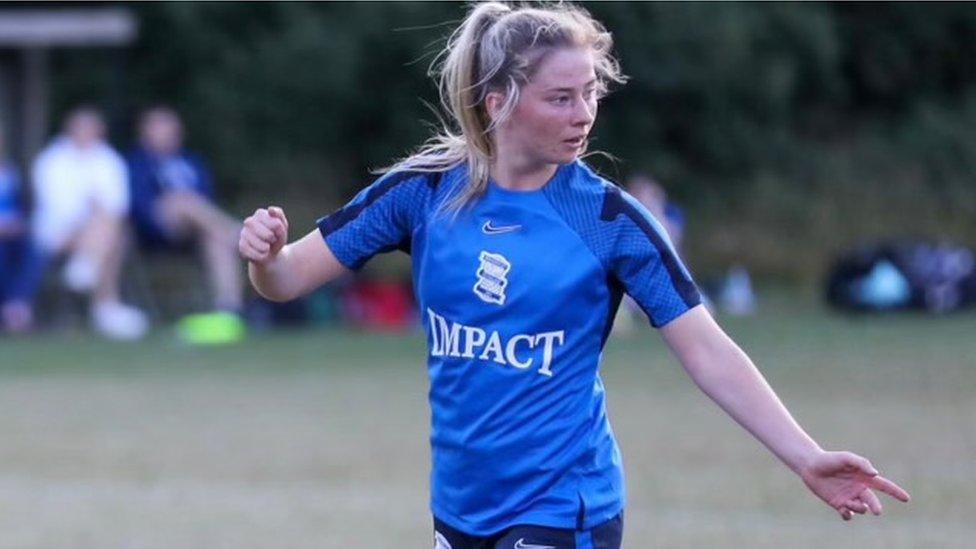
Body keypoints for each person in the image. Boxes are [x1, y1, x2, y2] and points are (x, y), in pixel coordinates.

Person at [239, 3, 910, 547]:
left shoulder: (609, 220)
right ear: (498, 102)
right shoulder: (421, 193)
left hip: (565, 507)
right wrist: (265, 257)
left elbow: (707, 348)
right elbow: (290, 278)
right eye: (560, 97)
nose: (583, 113)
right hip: (460, 505)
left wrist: (805, 455)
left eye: (590, 92)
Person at [30, 107, 148, 340]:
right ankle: (105, 306)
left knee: (111, 230)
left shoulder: (109, 159)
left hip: (99, 232)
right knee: (111, 235)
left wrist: (95, 214)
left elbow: (118, 206)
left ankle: (86, 266)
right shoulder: (51, 160)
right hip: (57, 232)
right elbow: (54, 207)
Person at [127, 106, 244, 316]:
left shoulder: (192, 162)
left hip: (193, 229)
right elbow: (137, 204)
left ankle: (229, 310)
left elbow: (207, 198)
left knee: (217, 240)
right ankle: (237, 234)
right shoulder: (136, 164)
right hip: (154, 229)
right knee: (182, 200)